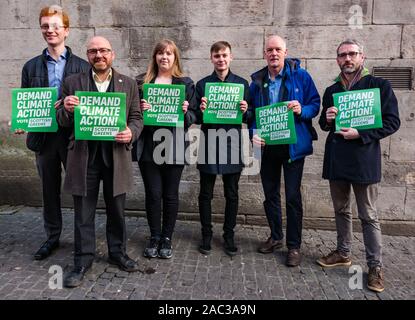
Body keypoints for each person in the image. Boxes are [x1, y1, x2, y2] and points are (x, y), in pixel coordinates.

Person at [57, 36, 143, 288]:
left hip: (116, 155)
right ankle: (82, 260)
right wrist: (67, 110)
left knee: (117, 209)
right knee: (84, 211)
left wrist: (131, 132)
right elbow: (61, 121)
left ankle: (118, 253)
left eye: (104, 50)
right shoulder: (73, 82)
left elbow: (137, 117)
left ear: (112, 55)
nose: (99, 55)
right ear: (88, 55)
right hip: (84, 156)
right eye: (93, 51)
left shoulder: (128, 84)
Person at [316, 39, 400, 293]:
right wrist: (328, 119)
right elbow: (323, 124)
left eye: (352, 54)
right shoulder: (332, 90)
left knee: (368, 215)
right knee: (341, 210)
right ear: (337, 60)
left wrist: (361, 134)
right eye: (343, 55)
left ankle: (375, 266)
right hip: (337, 159)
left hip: (364, 160)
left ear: (362, 57)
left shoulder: (378, 86)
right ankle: (343, 252)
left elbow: (392, 122)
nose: (347, 59)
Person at [17, 5, 89, 261]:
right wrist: (22, 119)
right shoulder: (30, 67)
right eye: (46, 26)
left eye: (56, 26)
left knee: (80, 188)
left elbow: (89, 104)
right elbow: (26, 101)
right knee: (49, 190)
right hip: (44, 137)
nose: (51, 30)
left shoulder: (82, 65)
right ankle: (52, 237)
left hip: (72, 137)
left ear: (66, 31)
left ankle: (83, 239)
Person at [249, 35, 320, 266]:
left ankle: (294, 246)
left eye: (277, 49)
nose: (273, 53)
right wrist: (253, 133)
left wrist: (302, 109)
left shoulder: (301, 76)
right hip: (267, 147)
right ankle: (276, 236)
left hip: (293, 147)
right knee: (270, 196)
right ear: (264, 54)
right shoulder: (257, 81)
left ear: (285, 52)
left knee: (292, 197)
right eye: (269, 50)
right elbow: (250, 113)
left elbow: (315, 104)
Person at [134, 39, 197, 259]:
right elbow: (132, 116)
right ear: (155, 57)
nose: (164, 57)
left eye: (169, 53)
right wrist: (141, 109)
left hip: (174, 145)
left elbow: (193, 117)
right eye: (160, 53)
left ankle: (167, 237)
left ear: (175, 58)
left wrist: (185, 111)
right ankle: (154, 236)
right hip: (149, 146)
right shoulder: (141, 83)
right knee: (153, 194)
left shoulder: (186, 84)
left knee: (170, 195)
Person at [195, 41, 251, 256]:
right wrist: (201, 110)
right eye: (217, 55)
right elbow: (195, 117)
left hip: (232, 141)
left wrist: (245, 110)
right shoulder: (202, 85)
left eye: (224, 55)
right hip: (209, 140)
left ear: (231, 57)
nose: (221, 59)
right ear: (212, 58)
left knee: (232, 193)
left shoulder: (242, 84)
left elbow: (250, 116)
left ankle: (229, 235)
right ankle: (206, 234)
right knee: (205, 193)